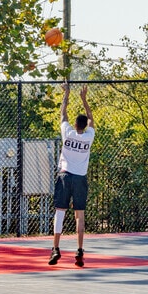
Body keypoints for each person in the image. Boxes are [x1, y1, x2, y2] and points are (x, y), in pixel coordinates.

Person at [48, 83, 95, 267]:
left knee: (60, 212)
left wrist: (66, 94)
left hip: (65, 176)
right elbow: (91, 118)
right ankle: (80, 250)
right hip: (80, 178)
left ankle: (56, 248)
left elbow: (62, 114)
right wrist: (84, 100)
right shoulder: (88, 136)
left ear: (75, 125)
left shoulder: (67, 133)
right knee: (79, 215)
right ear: (85, 126)